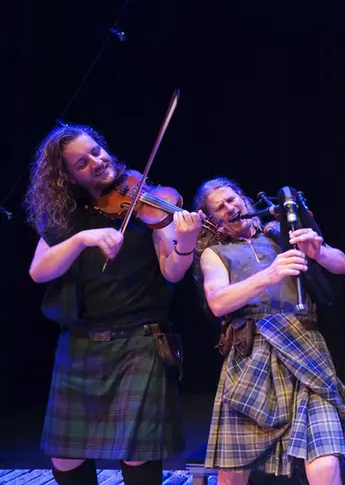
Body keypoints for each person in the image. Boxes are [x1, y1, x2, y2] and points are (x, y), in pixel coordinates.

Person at [24, 124, 204, 485]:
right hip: (81, 341)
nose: (96, 161)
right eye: (81, 162)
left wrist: (185, 243)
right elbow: (39, 272)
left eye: (96, 151)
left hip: (140, 340)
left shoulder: (147, 202)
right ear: (68, 177)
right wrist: (81, 239)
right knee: (64, 454)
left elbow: (172, 271)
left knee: (137, 455)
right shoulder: (67, 217)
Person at [193, 177, 345, 485]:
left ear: (243, 198)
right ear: (212, 220)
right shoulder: (214, 254)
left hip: (306, 352)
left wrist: (318, 252)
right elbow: (217, 302)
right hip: (252, 356)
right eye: (219, 208)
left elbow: (342, 264)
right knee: (233, 471)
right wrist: (269, 274)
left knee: (325, 460)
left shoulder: (282, 234)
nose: (230, 208)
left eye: (232, 199)